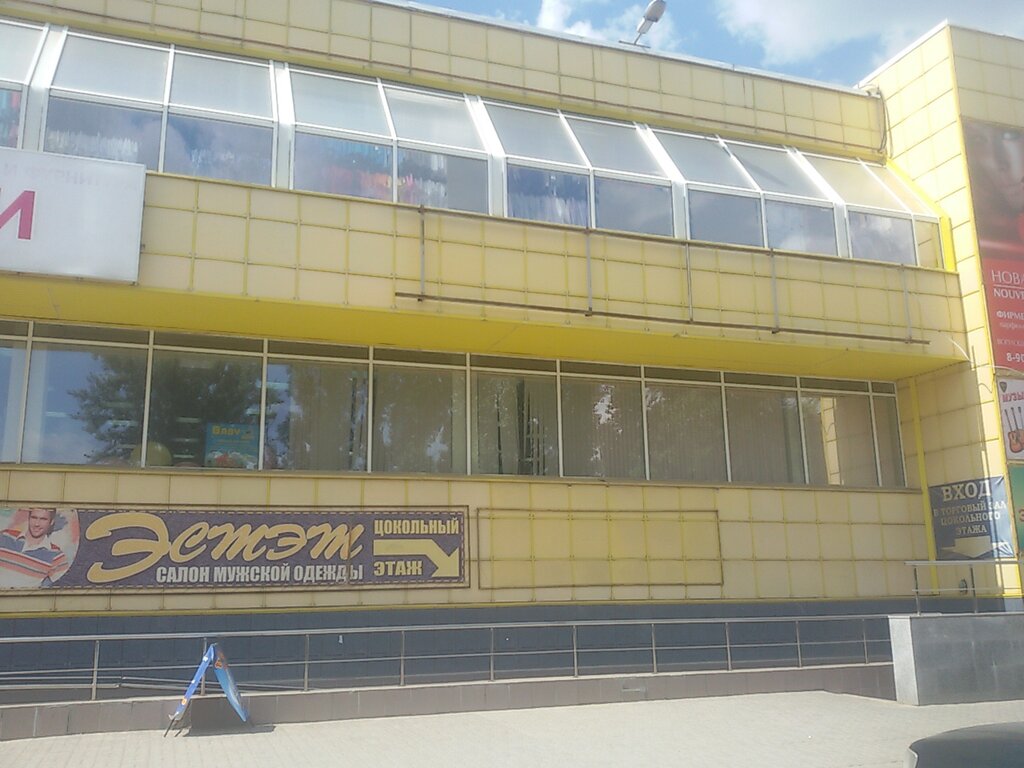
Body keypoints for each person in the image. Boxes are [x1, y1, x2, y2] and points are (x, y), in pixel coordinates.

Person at [0, 507, 69, 588]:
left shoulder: (56, 555)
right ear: (29, 518)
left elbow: (63, 587)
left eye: (43, 519)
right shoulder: (5, 536)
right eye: (34, 517)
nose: (37, 524)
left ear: (51, 522)